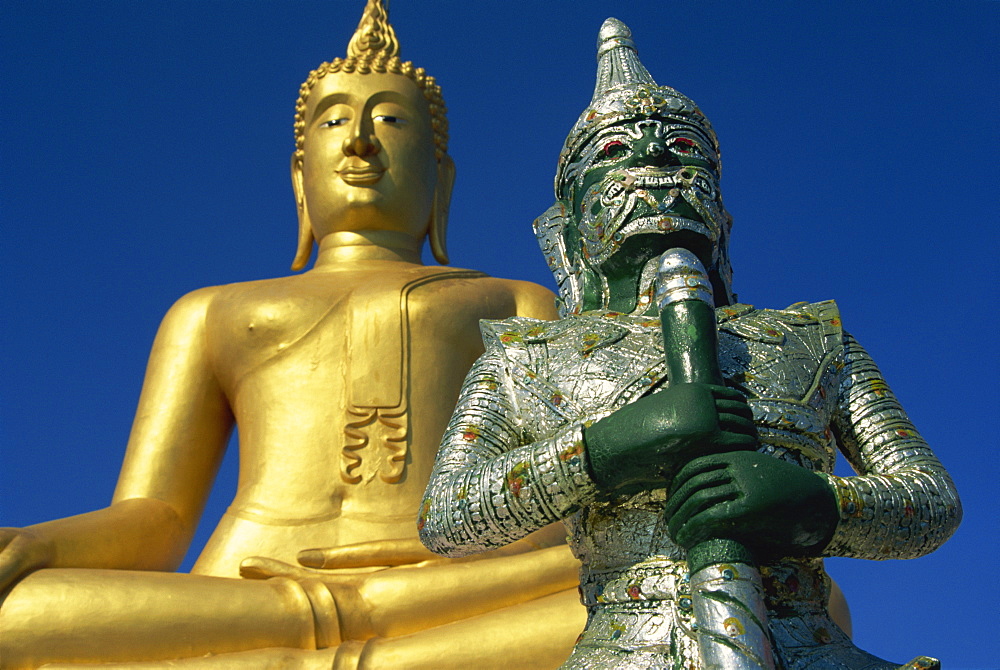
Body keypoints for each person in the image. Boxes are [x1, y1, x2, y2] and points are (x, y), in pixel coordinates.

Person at [0, 2, 585, 667]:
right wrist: (40, 545)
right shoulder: (209, 311)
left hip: (450, 583)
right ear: (298, 179)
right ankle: (354, 648)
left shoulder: (513, 301)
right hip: (251, 590)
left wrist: (499, 550)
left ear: (441, 180)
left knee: (655, 586)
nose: (360, 140)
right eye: (334, 120)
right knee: (15, 615)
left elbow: (565, 497)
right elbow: (155, 519)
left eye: (391, 120)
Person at [420, 18, 961, 670]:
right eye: (617, 154)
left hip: (806, 644)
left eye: (679, 149)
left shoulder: (814, 340)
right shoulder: (522, 359)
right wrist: (605, 448)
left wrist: (813, 501)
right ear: (568, 230)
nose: (656, 168)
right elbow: (447, 516)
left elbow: (930, 500)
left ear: (720, 207)